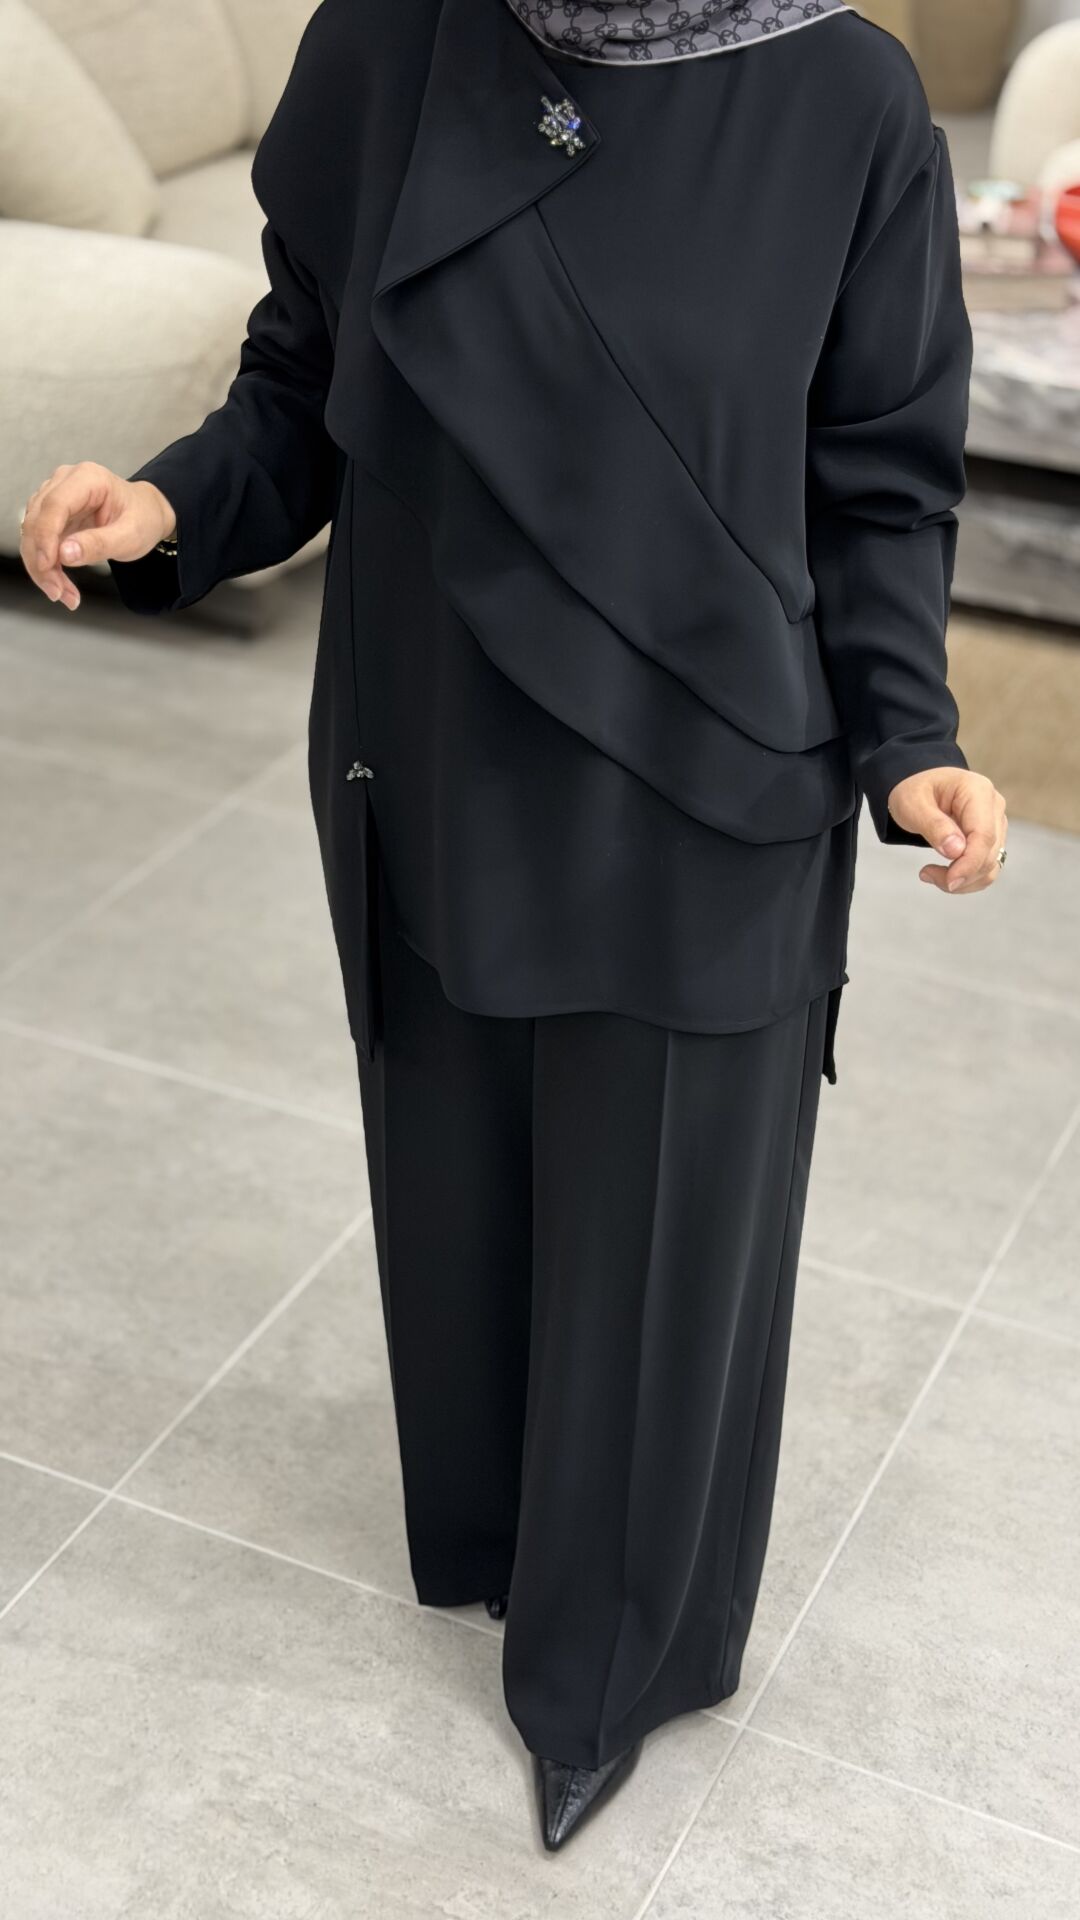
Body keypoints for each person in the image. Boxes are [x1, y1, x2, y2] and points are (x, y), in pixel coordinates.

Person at [20, 0, 1008, 1854]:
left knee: (662, 1238)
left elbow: (879, 478)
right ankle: (491, 1538)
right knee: (457, 1190)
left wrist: (912, 741)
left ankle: (612, 1665)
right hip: (434, 743)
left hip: (711, 783)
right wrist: (164, 507)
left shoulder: (847, 99)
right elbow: (305, 385)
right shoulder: (390, 43)